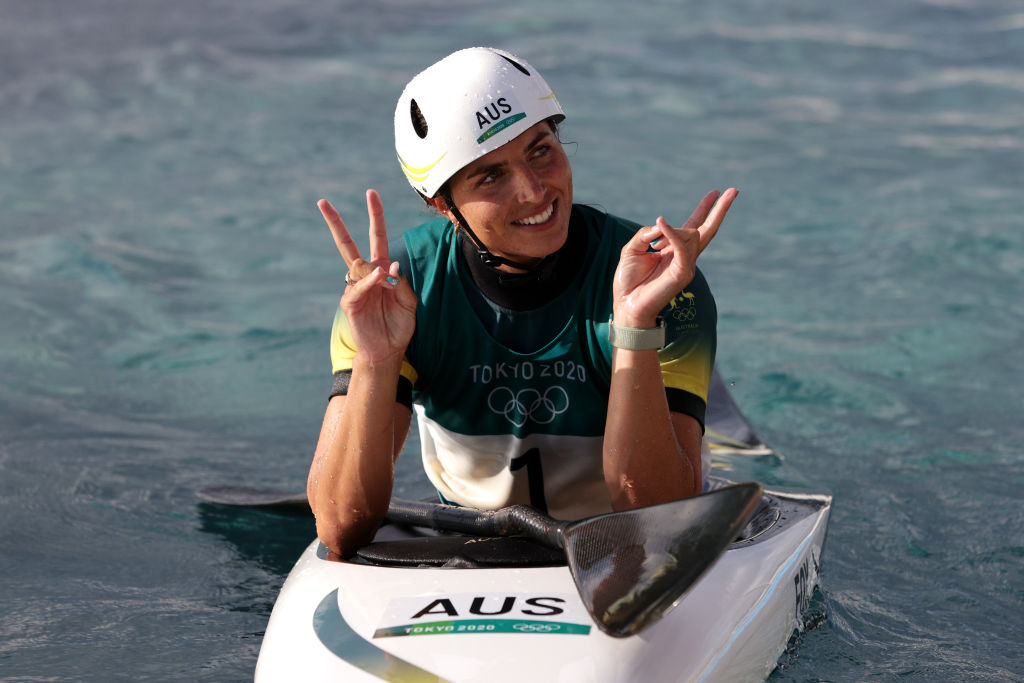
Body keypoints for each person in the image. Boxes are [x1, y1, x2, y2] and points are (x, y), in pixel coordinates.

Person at [307, 47, 737, 558]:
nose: (534, 192)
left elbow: (659, 517)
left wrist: (635, 324)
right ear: (442, 204)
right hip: (471, 537)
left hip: (625, 539)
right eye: (490, 176)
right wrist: (377, 362)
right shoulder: (396, 288)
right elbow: (338, 529)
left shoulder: (657, 279)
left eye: (541, 150)